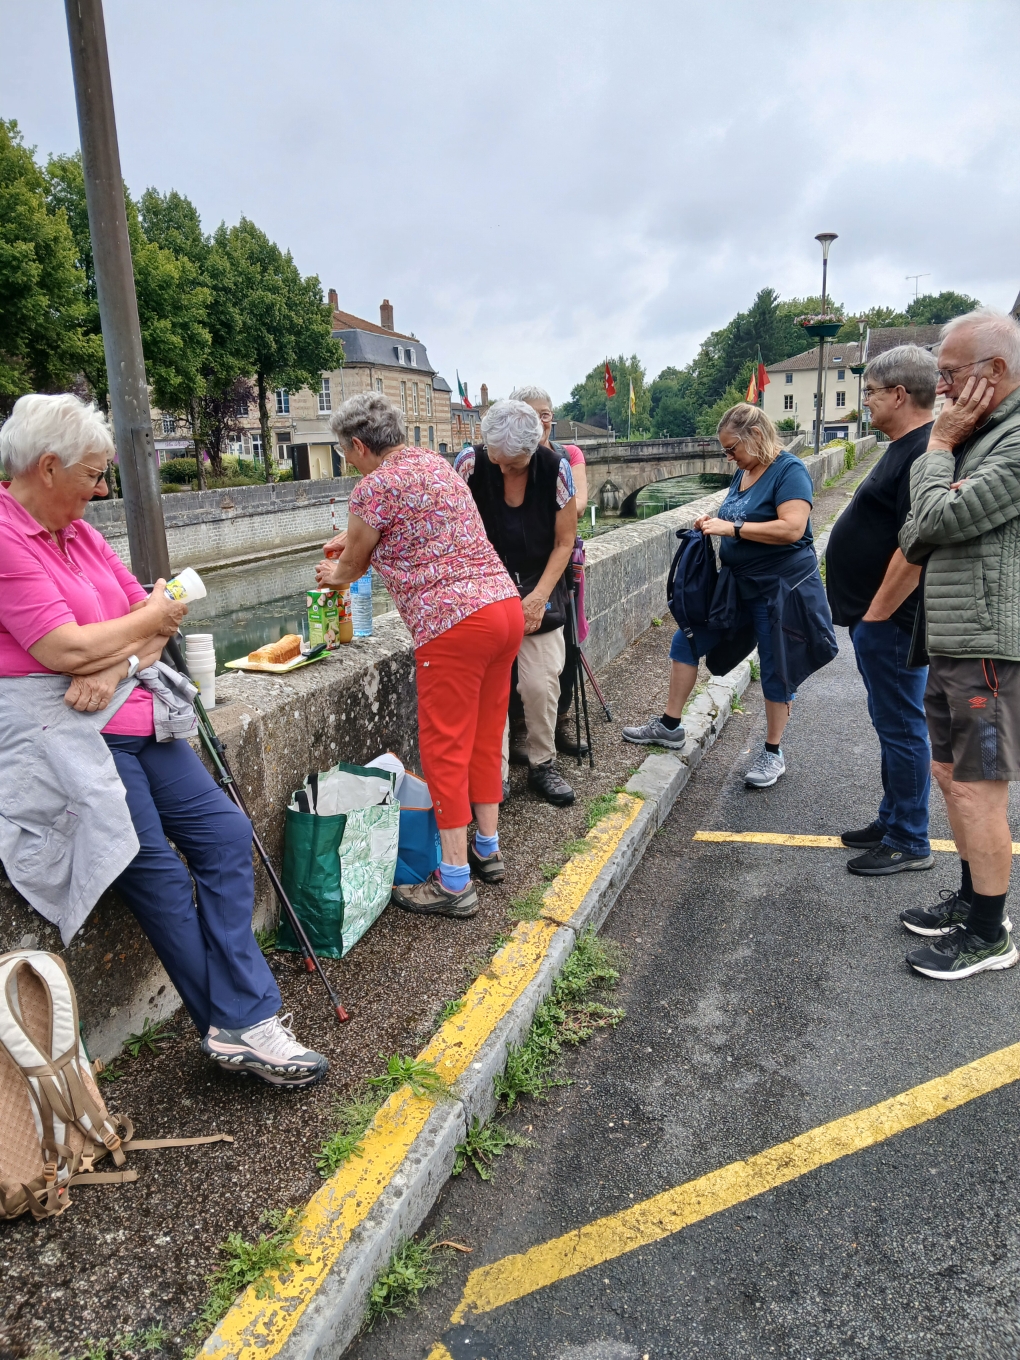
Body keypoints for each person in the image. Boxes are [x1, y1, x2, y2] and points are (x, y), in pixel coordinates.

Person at [0, 393, 326, 1088]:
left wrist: (113, 657)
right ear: (49, 466)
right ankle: (243, 1025)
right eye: (92, 475)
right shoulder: (5, 536)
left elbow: (162, 615)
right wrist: (119, 640)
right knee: (160, 881)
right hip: (71, 744)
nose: (100, 489)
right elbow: (63, 645)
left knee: (225, 835)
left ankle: (237, 1018)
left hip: (137, 718)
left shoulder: (80, 535)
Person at [315, 393, 523, 918]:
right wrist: (355, 539)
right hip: (503, 608)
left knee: (444, 749)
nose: (349, 462)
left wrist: (331, 574)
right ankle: (487, 849)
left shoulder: (372, 486)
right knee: (483, 733)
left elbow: (354, 566)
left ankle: (453, 881)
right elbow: (406, 526)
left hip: (454, 624)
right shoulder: (433, 465)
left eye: (347, 453)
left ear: (359, 445)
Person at [898, 307, 1020, 980]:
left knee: (978, 788)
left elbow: (938, 515)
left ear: (994, 371)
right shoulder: (982, 434)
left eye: (948, 374)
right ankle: (976, 899)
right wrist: (946, 465)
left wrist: (938, 448)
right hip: (951, 637)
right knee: (950, 776)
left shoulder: (1010, 441)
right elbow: (919, 534)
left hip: (986, 648)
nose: (941, 389)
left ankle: (989, 933)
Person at [623, 403, 836, 788]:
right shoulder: (744, 472)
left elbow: (791, 528)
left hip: (779, 591)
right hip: (737, 588)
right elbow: (738, 515)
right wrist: (711, 522)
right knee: (686, 639)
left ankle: (772, 753)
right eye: (725, 451)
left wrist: (732, 529)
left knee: (776, 668)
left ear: (755, 436)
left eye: (731, 448)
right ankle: (670, 726)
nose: (728, 456)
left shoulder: (789, 471)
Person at [826, 345, 938, 875]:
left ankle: (910, 839)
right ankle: (892, 818)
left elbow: (914, 546)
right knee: (889, 721)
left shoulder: (922, 454)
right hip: (879, 619)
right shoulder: (904, 445)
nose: (865, 402)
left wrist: (875, 615)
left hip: (891, 621)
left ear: (899, 394)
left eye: (869, 392)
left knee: (901, 726)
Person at [455, 401, 579, 806]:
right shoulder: (470, 465)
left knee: (540, 683)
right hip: (484, 587)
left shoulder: (556, 469)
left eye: (517, 465)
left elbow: (564, 543)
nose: (506, 471)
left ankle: (543, 764)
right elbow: (454, 534)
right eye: (500, 462)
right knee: (491, 689)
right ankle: (496, 776)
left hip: (539, 582)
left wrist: (539, 597)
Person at [509, 385, 590, 759]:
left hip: (563, 567)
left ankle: (558, 725)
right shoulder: (502, 461)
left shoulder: (566, 456)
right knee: (524, 664)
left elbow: (578, 506)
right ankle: (524, 732)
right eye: (531, 414)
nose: (540, 421)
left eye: (545, 414)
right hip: (523, 573)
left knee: (566, 648)